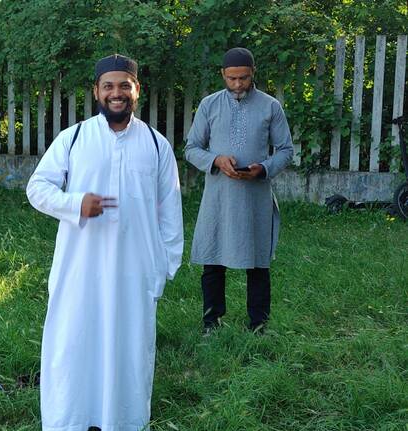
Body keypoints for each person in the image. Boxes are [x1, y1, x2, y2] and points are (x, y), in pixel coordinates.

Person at [26, 54, 183, 431]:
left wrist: (162, 269)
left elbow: (170, 212)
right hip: (78, 271)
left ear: (136, 90)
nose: (116, 93)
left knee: (128, 354)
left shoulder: (157, 145)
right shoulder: (75, 137)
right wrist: (75, 203)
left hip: (134, 274)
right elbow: (37, 188)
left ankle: (122, 422)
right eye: (108, 86)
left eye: (124, 86)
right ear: (96, 91)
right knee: (72, 347)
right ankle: (70, 421)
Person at [184, 47, 293, 335]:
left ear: (252, 73)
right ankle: (211, 323)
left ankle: (258, 324)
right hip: (219, 197)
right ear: (223, 74)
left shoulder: (270, 106)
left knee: (257, 263)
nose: (237, 84)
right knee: (213, 259)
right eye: (231, 78)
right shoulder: (209, 105)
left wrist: (264, 168)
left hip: (255, 195)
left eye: (243, 78)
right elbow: (192, 149)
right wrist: (216, 160)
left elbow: (286, 150)